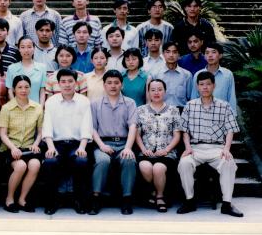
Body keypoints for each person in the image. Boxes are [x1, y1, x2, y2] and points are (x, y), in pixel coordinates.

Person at [177, 71, 243, 217]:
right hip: (196, 148)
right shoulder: (190, 106)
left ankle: (227, 204)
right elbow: (184, 130)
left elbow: (230, 130)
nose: (205, 87)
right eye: (201, 84)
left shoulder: (224, 106)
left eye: (208, 84)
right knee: (184, 163)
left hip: (217, 148)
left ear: (214, 86)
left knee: (228, 163)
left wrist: (227, 149)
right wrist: (187, 147)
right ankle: (189, 201)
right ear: (197, 87)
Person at [41, 69, 93, 215]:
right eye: (63, 81)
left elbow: (86, 125)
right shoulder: (51, 101)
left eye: (70, 81)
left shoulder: (84, 101)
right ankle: (52, 201)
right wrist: (50, 147)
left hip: (77, 144)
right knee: (50, 162)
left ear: (76, 83)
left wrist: (82, 147)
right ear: (58, 84)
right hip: (56, 144)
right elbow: (47, 126)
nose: (67, 84)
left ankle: (79, 200)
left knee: (81, 161)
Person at [89, 69, 137, 215]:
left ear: (122, 84)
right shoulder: (95, 104)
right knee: (102, 160)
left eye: (116, 82)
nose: (113, 86)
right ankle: (96, 198)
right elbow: (92, 128)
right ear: (104, 85)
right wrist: (102, 146)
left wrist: (128, 148)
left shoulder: (130, 103)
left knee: (129, 160)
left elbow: (133, 126)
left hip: (123, 143)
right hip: (103, 143)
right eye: (109, 83)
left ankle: (127, 199)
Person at [135, 78, 182, 213]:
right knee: (145, 166)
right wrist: (143, 149)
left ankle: (160, 196)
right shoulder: (140, 110)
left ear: (165, 92)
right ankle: (154, 192)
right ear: (148, 92)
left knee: (158, 168)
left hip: (166, 152)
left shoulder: (173, 110)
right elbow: (137, 134)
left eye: (160, 90)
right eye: (153, 90)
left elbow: (177, 135)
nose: (156, 93)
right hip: (146, 152)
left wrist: (166, 149)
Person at [0, 75, 43, 212]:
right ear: (14, 89)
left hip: (29, 148)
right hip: (10, 148)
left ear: (30, 88)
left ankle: (22, 199)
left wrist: (36, 144)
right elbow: (3, 134)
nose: (23, 90)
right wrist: (13, 148)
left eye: (26, 87)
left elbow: (40, 132)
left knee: (35, 164)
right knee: (21, 166)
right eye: (20, 87)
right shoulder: (6, 108)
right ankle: (9, 199)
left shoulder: (37, 108)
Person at [191, 43, 237, 112]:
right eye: (207, 53)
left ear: (220, 55)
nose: (210, 55)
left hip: (222, 113)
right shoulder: (198, 74)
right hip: (202, 113)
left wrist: (233, 114)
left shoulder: (228, 74)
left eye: (213, 52)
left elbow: (231, 96)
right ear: (204, 56)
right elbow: (194, 97)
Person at [6, 37, 47, 105]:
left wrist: (40, 108)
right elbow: (10, 91)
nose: (26, 50)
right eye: (23, 47)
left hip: (35, 108)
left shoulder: (42, 68)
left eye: (29, 47)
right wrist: (15, 107)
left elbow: (42, 91)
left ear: (34, 48)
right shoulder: (11, 68)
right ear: (19, 49)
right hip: (17, 108)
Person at [152, 42, 192, 110]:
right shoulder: (156, 74)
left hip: (180, 111)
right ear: (163, 54)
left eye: (174, 52)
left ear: (179, 55)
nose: (171, 55)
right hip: (161, 111)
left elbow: (190, 98)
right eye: (168, 52)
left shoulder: (187, 75)